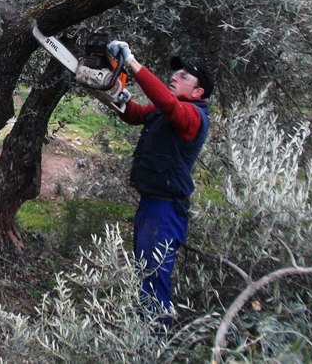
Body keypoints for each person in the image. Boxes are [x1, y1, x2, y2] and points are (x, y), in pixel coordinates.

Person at [77, 41, 214, 327]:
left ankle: (154, 342)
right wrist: (112, 94)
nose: (175, 77)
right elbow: (135, 114)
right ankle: (144, 334)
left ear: (198, 92)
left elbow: (166, 103)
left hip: (165, 210)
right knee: (145, 273)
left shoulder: (192, 117)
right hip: (152, 204)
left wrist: (132, 63)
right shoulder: (167, 111)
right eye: (176, 75)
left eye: (184, 77)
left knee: (154, 278)